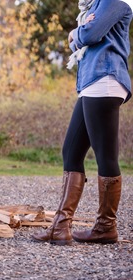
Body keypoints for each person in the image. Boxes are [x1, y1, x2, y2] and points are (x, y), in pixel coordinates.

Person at [32, 0, 132, 245]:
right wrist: (83, 29)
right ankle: (61, 226)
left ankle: (105, 227)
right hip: (92, 84)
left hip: (105, 80)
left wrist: (74, 33)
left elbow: (91, 33)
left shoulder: (115, 1)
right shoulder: (96, 3)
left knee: (105, 157)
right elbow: (89, 32)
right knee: (71, 151)